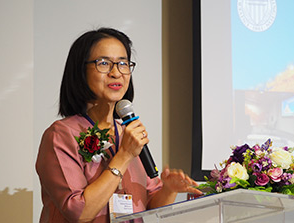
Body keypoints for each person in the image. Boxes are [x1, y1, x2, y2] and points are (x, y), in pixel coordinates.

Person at [36, 27, 202, 223]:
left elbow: (150, 208)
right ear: (80, 71)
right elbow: (79, 212)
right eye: (104, 63)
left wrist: (168, 189)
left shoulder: (127, 133)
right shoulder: (62, 135)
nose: (116, 73)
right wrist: (124, 156)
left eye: (123, 63)